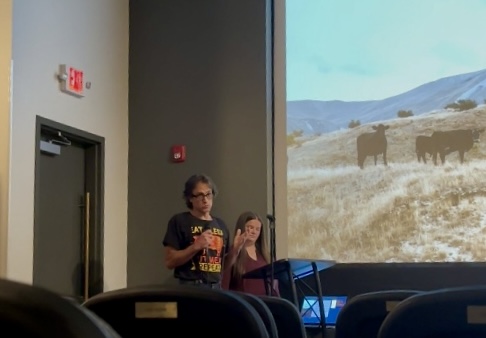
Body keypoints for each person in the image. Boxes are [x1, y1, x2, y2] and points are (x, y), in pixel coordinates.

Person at [163, 173, 245, 289]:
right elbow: (169, 262)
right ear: (190, 198)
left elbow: (221, 267)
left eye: (208, 194)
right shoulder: (179, 221)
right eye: (200, 195)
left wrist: (235, 251)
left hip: (216, 287)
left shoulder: (221, 225)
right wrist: (195, 247)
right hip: (190, 286)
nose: (205, 200)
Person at [222, 211, 279, 296]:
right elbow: (224, 284)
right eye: (250, 227)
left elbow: (274, 286)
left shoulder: (265, 255)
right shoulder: (233, 253)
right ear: (242, 227)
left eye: (257, 229)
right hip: (243, 305)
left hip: (264, 304)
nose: (254, 232)